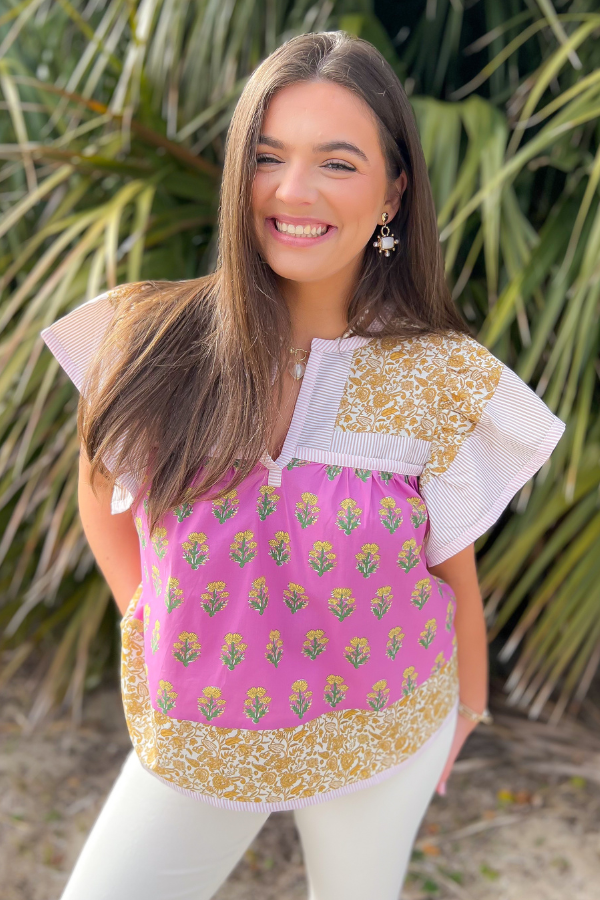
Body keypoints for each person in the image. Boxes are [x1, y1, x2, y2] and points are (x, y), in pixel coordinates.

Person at [41, 30, 565, 900]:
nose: (292, 191)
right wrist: (161, 627)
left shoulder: (437, 377)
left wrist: (466, 707)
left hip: (387, 730)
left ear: (393, 192)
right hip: (200, 729)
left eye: (337, 163)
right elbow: (101, 495)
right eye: (268, 156)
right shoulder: (152, 338)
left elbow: (451, 568)